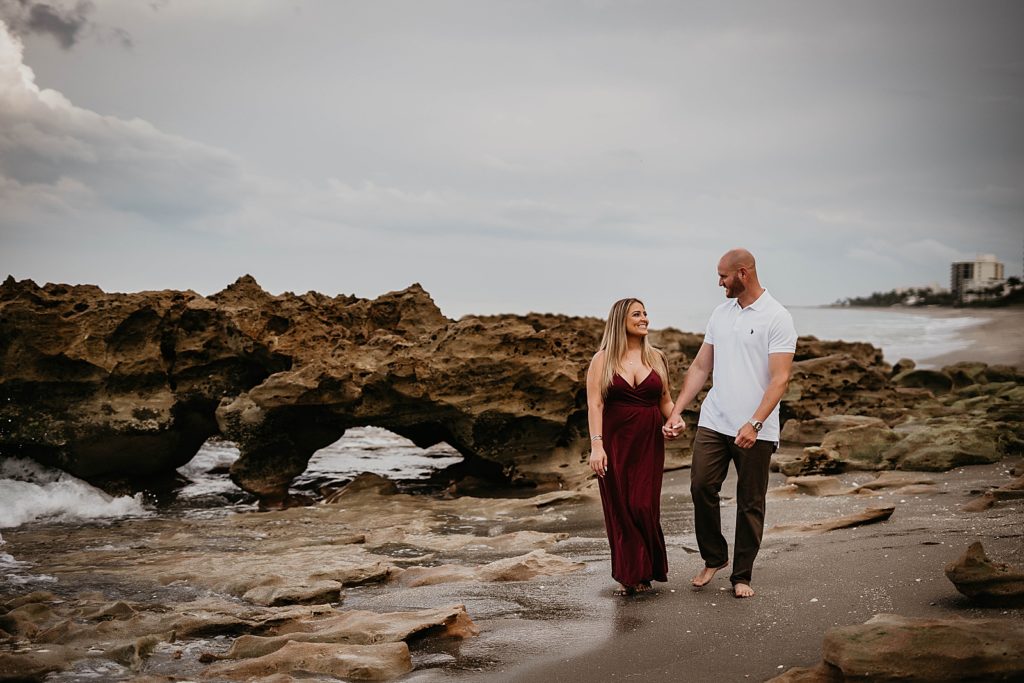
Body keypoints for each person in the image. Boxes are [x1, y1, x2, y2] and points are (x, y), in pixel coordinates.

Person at [663, 248, 796, 598]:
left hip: (756, 428)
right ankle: (714, 557)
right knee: (700, 486)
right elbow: (700, 367)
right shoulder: (720, 314)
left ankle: (742, 575)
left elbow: (780, 380)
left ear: (743, 273)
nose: (718, 282)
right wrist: (677, 410)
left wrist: (754, 422)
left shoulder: (777, 317)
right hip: (714, 420)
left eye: (723, 276)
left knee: (750, 502)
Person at [587, 298, 675, 596]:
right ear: (620, 321)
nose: (644, 319)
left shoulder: (657, 358)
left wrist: (675, 420)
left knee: (643, 505)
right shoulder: (602, 360)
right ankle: (630, 574)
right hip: (615, 441)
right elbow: (595, 404)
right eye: (637, 314)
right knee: (621, 507)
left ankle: (646, 567)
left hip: (649, 441)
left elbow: (665, 400)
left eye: (646, 313)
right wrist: (597, 446)